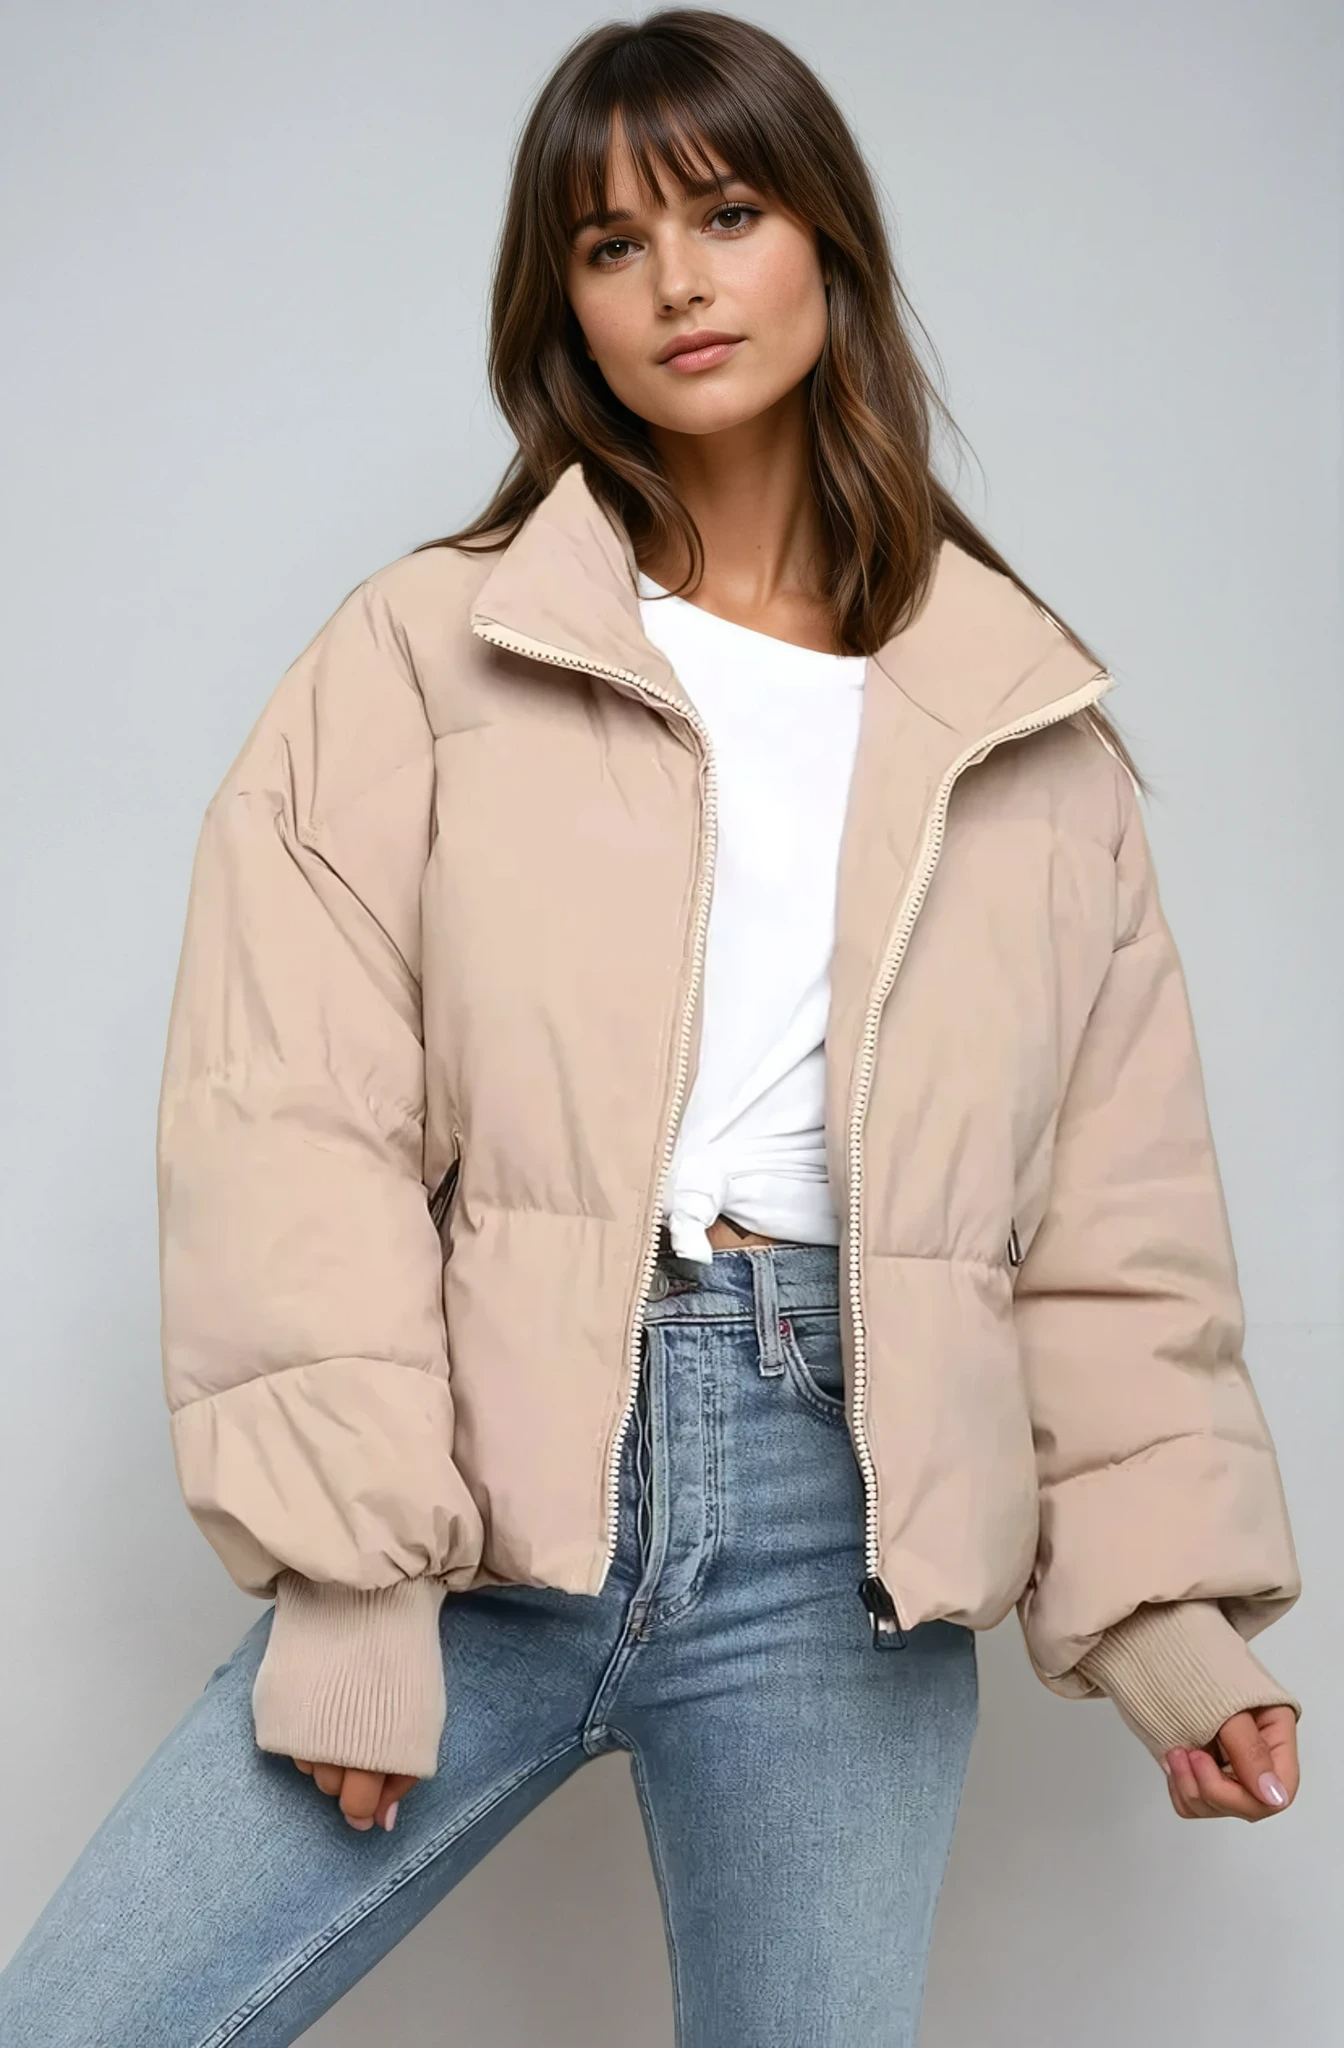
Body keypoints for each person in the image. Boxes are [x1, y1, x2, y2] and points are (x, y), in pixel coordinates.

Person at [0, 10, 1303, 2045]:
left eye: (728, 214)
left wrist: (1167, 1621)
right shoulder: (429, 654)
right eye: (613, 244)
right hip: (488, 1480)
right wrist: (353, 1586)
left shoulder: (1021, 725)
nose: (679, 281)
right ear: (567, 308)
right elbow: (290, 1120)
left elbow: (1112, 1221)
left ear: (830, 244)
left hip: (842, 1539)